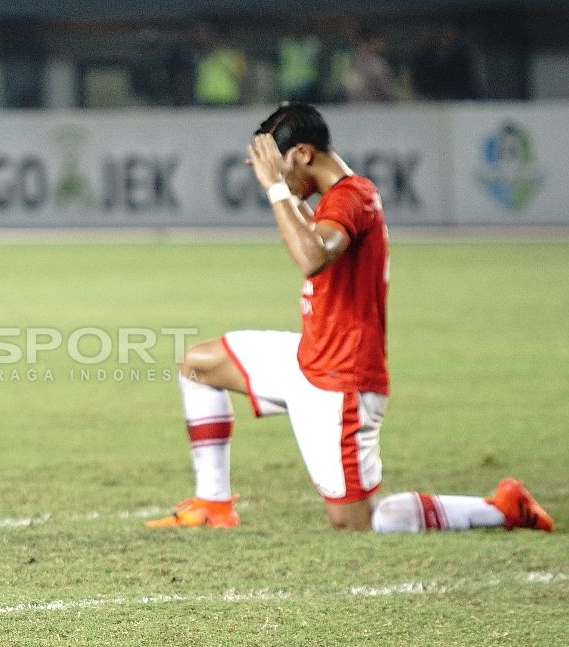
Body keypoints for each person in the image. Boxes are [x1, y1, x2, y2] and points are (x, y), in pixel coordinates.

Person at [145, 103, 553, 534]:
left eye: (280, 166)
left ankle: (500, 509)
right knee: (198, 365)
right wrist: (278, 186)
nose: (278, 177)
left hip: (342, 382)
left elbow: (311, 257)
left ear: (302, 153)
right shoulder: (337, 198)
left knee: (359, 524)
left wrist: (275, 191)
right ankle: (213, 505)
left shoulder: (352, 196)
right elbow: (312, 238)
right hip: (307, 358)